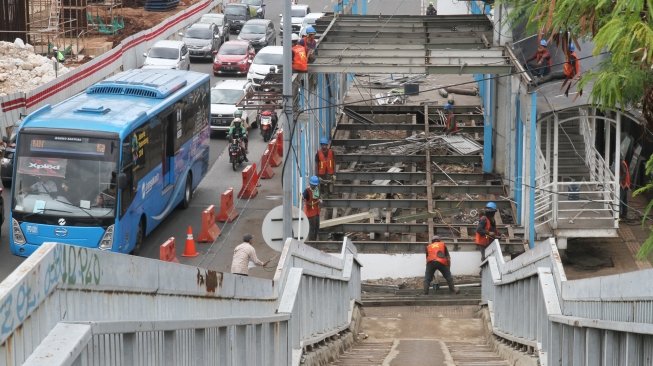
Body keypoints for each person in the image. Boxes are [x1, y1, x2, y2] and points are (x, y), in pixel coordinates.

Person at [303, 176, 322, 241]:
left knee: (317, 227)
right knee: (312, 228)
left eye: (315, 185)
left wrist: (320, 201)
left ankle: (315, 240)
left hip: (316, 212)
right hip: (310, 213)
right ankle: (311, 243)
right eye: (313, 185)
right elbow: (303, 197)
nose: (314, 187)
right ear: (310, 184)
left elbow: (318, 197)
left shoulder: (317, 189)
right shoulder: (307, 191)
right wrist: (302, 197)